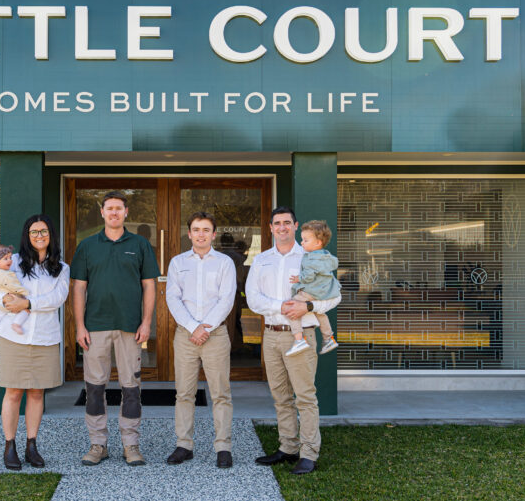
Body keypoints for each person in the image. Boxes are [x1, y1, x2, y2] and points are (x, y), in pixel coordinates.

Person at [246, 206, 341, 475]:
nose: (282, 227)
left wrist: (307, 307)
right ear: (271, 228)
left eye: (287, 223)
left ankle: (309, 452)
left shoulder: (312, 256)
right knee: (280, 396)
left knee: (305, 397)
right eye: (277, 223)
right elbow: (253, 298)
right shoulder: (262, 259)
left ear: (296, 226)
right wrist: (285, 306)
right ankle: (288, 446)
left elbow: (334, 296)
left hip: (301, 336)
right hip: (271, 335)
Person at [70, 190, 159, 467]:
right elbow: (78, 288)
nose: (114, 213)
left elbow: (149, 286)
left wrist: (146, 323)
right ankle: (98, 445)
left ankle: (131, 446)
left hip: (130, 328)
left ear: (126, 212)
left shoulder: (140, 244)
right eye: (109, 208)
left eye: (118, 208)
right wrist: (79, 326)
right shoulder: (87, 246)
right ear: (102, 212)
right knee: (94, 388)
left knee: (131, 388)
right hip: (94, 327)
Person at [0, 214, 69, 471]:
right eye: (34, 232)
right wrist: (9, 301)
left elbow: (58, 298)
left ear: (50, 234)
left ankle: (32, 445)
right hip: (14, 337)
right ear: (27, 236)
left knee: (36, 393)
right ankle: (10, 445)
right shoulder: (14, 262)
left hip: (45, 338)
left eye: (44, 231)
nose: (39, 236)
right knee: (13, 393)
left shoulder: (62, 268)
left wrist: (28, 304)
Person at [165, 212, 237, 468]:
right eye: (196, 229)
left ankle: (223, 448)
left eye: (206, 229)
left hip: (215, 335)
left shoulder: (225, 263)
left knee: (221, 393)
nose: (201, 234)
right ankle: (184, 445)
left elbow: (226, 299)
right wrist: (194, 327)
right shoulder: (177, 262)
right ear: (189, 233)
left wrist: (205, 327)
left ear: (214, 234)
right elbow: (172, 298)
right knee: (184, 393)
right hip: (185, 335)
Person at [284, 220, 341, 356]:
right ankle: (328, 338)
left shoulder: (310, 258)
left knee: (291, 307)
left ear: (317, 243)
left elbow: (308, 277)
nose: (302, 243)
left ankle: (299, 340)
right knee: (320, 313)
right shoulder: (326, 256)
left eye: (305, 240)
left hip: (312, 291)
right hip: (323, 293)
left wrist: (299, 278)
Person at [0, 244, 31, 335]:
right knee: (26, 311)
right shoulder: (6, 275)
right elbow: (14, 287)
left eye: (10, 257)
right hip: (12, 298)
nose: (10, 261)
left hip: (2, 300)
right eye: (5, 259)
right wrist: (25, 293)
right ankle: (16, 324)